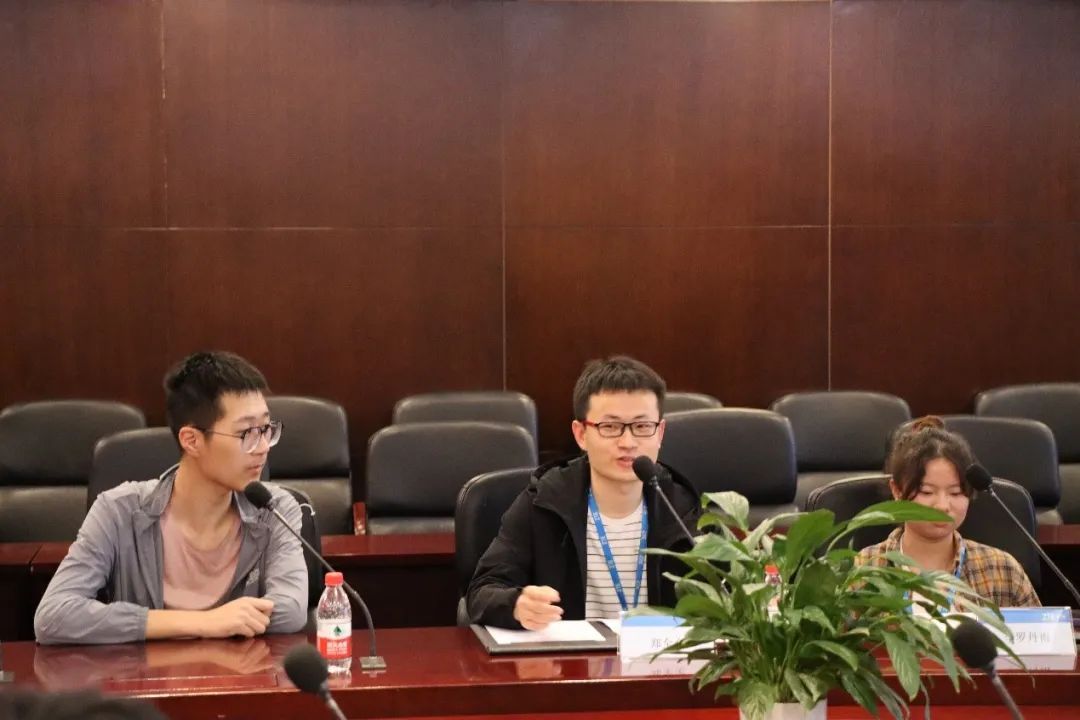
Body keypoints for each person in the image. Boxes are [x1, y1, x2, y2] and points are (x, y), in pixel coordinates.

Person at [34, 351, 308, 645]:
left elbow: (291, 610)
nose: (264, 446)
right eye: (247, 433)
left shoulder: (274, 509)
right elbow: (53, 616)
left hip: (242, 672)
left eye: (266, 429)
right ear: (192, 440)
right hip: (143, 674)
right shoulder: (118, 511)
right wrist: (205, 622)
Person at [467, 355, 701, 630]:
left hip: (657, 654)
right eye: (610, 427)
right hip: (572, 655)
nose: (628, 442)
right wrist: (516, 604)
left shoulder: (681, 507)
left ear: (660, 433)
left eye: (642, 426)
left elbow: (725, 597)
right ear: (581, 434)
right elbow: (482, 592)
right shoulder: (545, 501)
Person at [855, 415, 1040, 609]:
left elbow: (1043, 627)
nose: (943, 506)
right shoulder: (865, 568)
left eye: (956, 492)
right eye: (927, 492)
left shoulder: (1002, 570)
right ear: (897, 491)